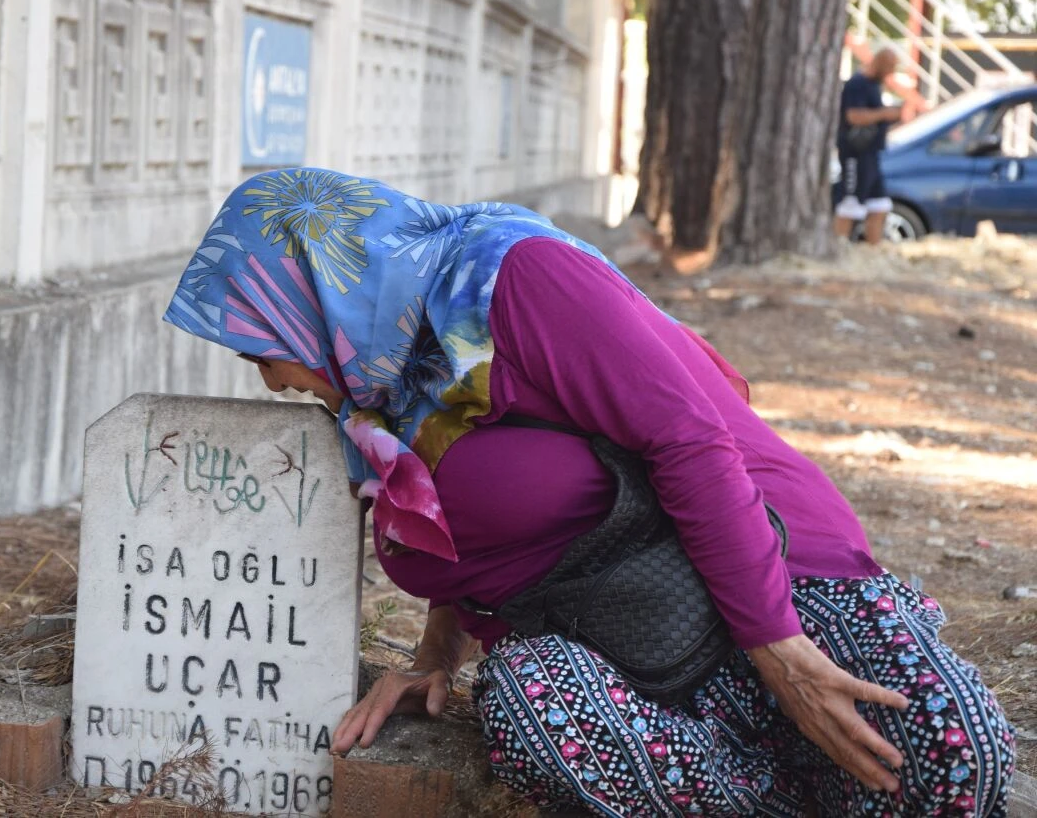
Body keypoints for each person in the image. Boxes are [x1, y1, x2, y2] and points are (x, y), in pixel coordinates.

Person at [165, 168, 1015, 816]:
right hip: (610, 649)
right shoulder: (379, 389)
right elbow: (477, 528)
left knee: (956, 752)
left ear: (313, 291)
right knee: (535, 711)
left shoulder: (513, 278)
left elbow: (687, 440)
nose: (273, 382)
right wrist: (433, 660)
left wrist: (780, 652)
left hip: (778, 581)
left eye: (261, 351)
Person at [834, 48, 903, 245]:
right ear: (880, 62)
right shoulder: (857, 84)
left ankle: (873, 251)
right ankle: (837, 247)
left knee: (879, 206)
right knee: (849, 204)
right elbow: (853, 116)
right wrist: (885, 114)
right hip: (855, 155)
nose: (892, 71)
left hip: (871, 154)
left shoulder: (874, 85)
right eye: (890, 66)